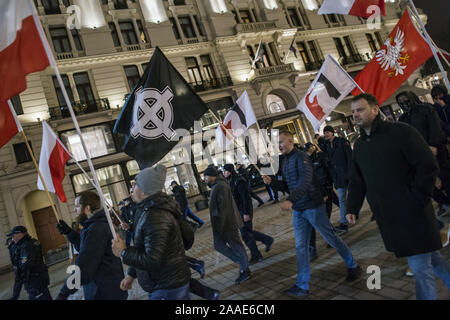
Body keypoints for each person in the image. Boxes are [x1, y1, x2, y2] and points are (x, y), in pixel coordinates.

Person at [346, 93, 450, 300]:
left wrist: (417, 198)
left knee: (420, 269)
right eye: (353, 112)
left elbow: (427, 166)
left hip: (413, 212)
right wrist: (352, 207)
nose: (355, 115)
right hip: (389, 216)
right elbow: (357, 179)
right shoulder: (360, 145)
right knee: (432, 258)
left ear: (375, 110)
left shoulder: (401, 132)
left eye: (360, 109)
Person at [263, 131, 360, 298]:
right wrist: (273, 183)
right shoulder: (285, 162)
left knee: (331, 238)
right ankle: (302, 285)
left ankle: (353, 265)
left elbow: (305, 181)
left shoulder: (301, 157)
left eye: (281, 142)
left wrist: (291, 200)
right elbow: (288, 185)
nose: (279, 145)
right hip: (299, 210)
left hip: (313, 206)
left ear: (291, 141)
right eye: (277, 143)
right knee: (301, 246)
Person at [112, 165, 191, 300]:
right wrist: (131, 275)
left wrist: (124, 252)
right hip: (164, 284)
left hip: (167, 288)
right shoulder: (146, 210)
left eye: (135, 185)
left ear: (143, 191)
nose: (131, 190)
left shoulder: (155, 216)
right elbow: (141, 248)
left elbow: (152, 260)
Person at [397, 91, 450, 248]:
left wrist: (433, 144)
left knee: (446, 177)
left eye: (406, 100)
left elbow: (436, 127)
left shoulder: (426, 110)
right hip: (419, 158)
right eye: (401, 102)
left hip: (436, 150)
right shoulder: (403, 119)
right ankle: (445, 202)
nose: (404, 104)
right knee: (429, 185)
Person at [56, 191, 128, 300]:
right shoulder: (93, 225)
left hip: (105, 290)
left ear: (87, 208)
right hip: (105, 288)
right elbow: (86, 248)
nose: (75, 210)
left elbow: (85, 264)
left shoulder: (96, 228)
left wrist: (63, 293)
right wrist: (70, 233)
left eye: (77, 206)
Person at [203, 166, 251, 284]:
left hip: (227, 223)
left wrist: (220, 226)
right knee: (219, 245)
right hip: (222, 223)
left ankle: (245, 270)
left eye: (205, 176)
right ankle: (241, 262)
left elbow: (224, 208)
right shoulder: (216, 186)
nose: (204, 179)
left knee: (236, 246)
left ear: (212, 176)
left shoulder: (220, 186)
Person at [223, 163, 274, 264]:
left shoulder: (239, 180)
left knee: (246, 234)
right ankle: (267, 240)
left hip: (244, 210)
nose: (224, 173)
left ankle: (257, 255)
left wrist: (246, 213)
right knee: (247, 233)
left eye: (225, 171)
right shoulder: (230, 180)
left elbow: (245, 197)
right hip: (238, 211)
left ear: (229, 171)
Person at [8, 226, 52, 300]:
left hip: (35, 283)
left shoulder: (26, 246)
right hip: (36, 282)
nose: (12, 238)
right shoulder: (28, 243)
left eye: (13, 236)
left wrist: (18, 265)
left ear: (20, 234)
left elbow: (26, 265)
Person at [323, 125, 353, 234]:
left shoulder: (341, 142)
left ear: (332, 132)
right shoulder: (326, 146)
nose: (326, 134)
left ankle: (376, 212)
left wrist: (350, 173)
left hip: (348, 175)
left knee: (358, 195)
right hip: (338, 178)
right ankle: (344, 223)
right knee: (342, 199)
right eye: (324, 132)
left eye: (327, 132)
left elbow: (350, 158)